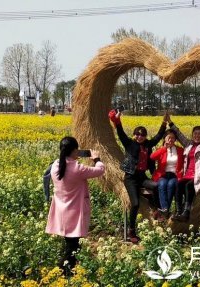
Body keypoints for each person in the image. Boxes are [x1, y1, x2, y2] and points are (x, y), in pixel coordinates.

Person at [45, 136, 105, 274]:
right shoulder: (78, 168)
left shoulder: (55, 165)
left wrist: (72, 158)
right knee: (73, 245)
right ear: (74, 151)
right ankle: (64, 269)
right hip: (74, 210)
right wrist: (97, 159)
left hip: (61, 210)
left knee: (69, 241)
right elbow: (100, 170)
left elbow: (67, 168)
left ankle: (67, 269)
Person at [108, 109, 168, 243]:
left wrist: (164, 123)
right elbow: (120, 132)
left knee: (156, 186)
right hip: (130, 178)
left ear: (145, 136)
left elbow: (158, 136)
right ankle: (131, 231)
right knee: (135, 204)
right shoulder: (129, 143)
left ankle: (156, 210)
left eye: (142, 135)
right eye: (137, 134)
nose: (140, 136)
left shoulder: (148, 144)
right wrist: (116, 120)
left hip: (142, 176)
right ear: (134, 135)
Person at [150, 129, 184, 221]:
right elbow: (152, 157)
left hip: (174, 175)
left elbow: (186, 161)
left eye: (173, 138)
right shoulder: (161, 149)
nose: (171, 139)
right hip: (163, 174)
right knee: (162, 184)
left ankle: (163, 211)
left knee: (171, 185)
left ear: (175, 139)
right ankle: (165, 210)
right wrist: (164, 148)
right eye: (169, 137)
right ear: (165, 139)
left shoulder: (180, 150)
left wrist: (182, 171)